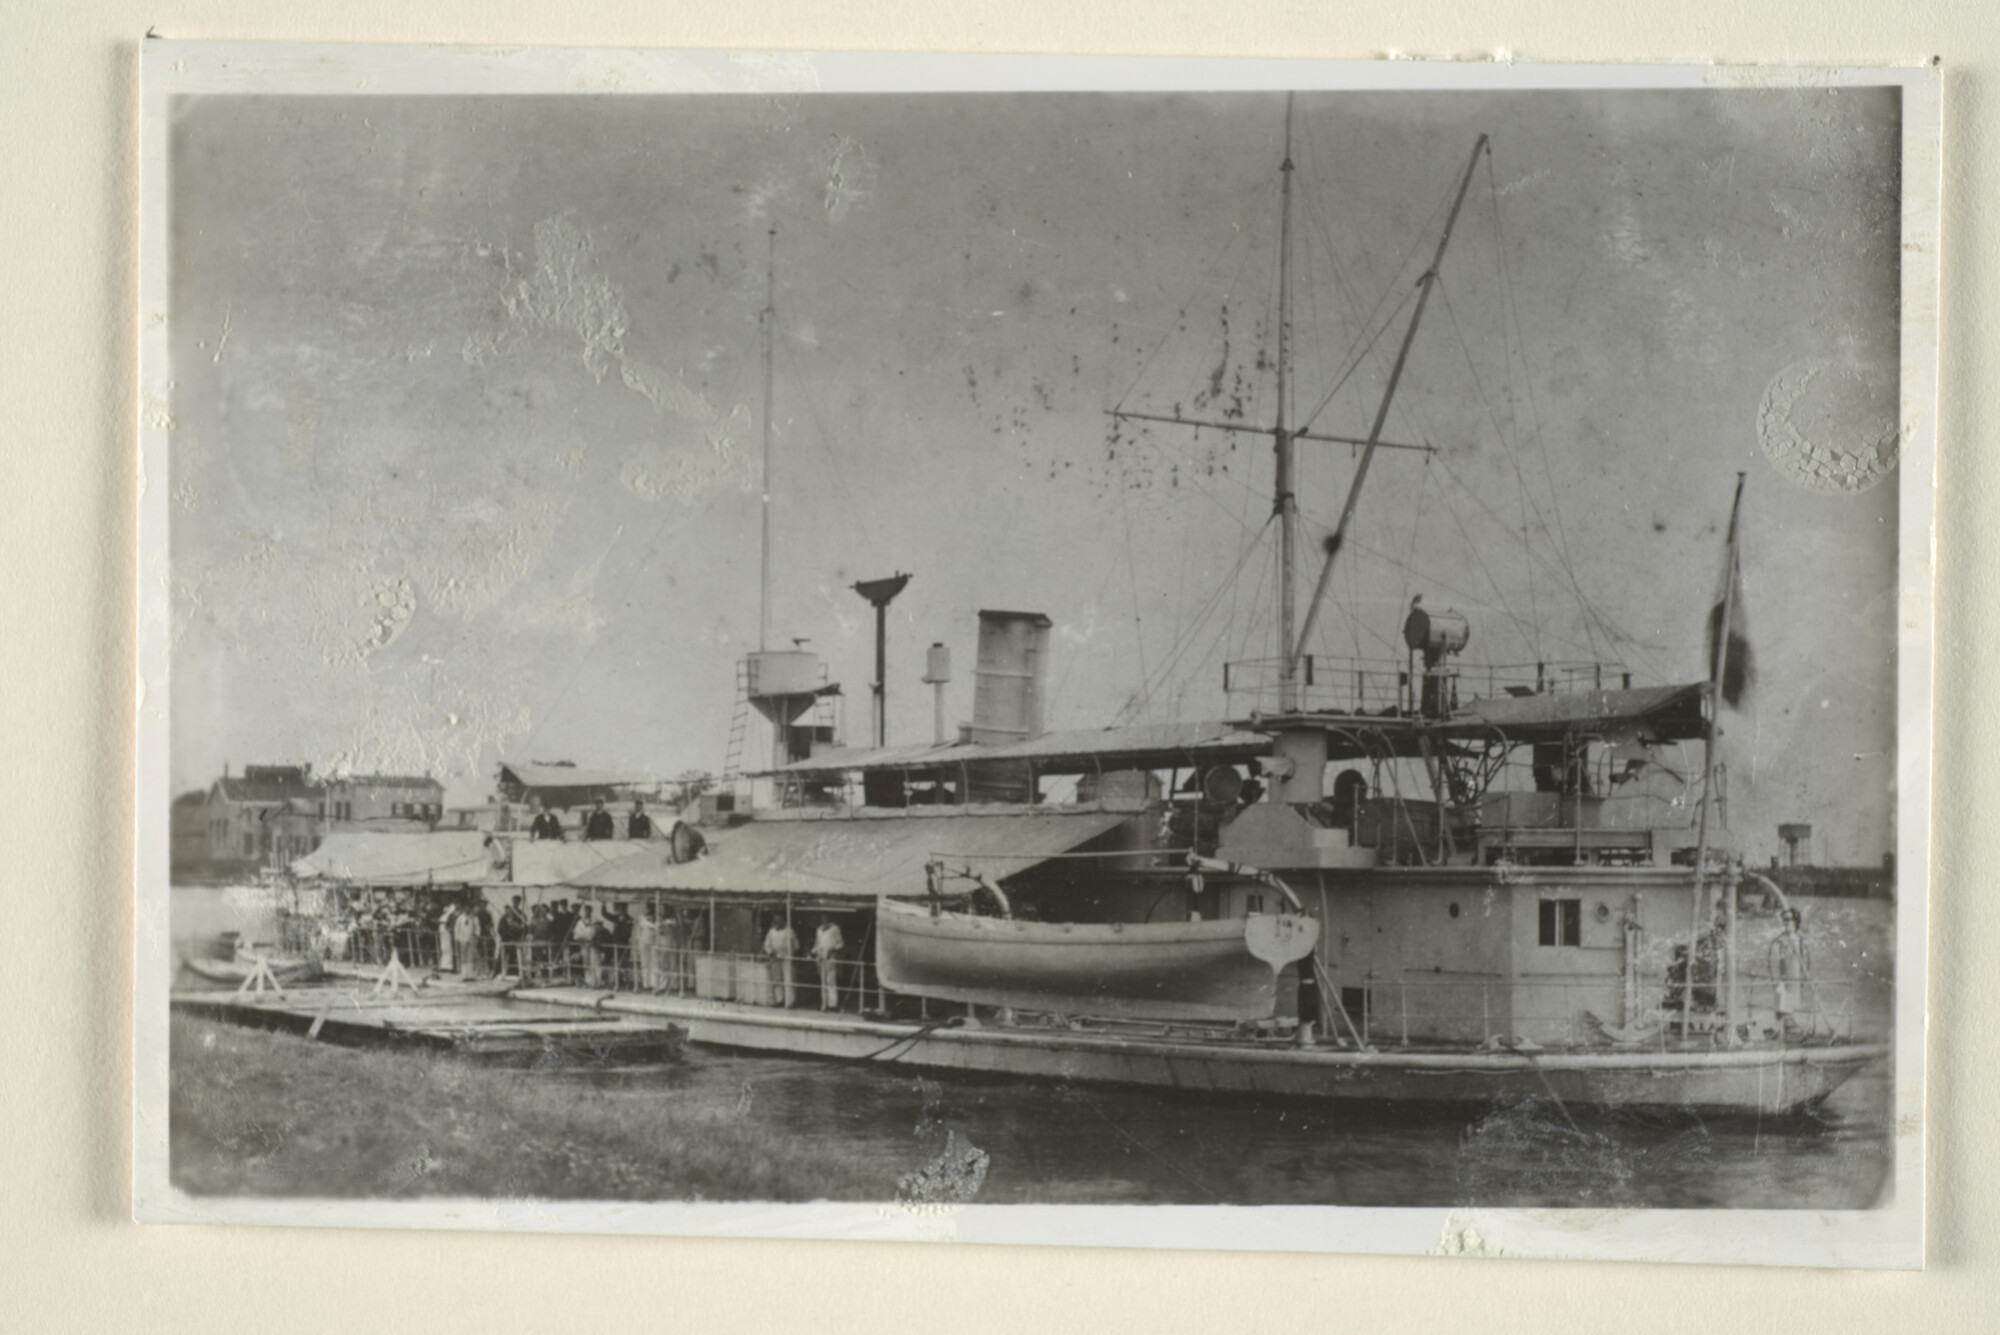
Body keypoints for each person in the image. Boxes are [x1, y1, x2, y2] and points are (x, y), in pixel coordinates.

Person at [762, 914, 800, 1009]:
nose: (777, 922)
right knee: (777, 980)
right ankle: (780, 1000)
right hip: (775, 958)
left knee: (789, 979)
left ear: (783, 921)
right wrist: (771, 952)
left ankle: (790, 1001)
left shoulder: (790, 931)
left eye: (779, 920)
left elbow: (796, 945)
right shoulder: (771, 931)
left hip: (787, 958)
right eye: (775, 920)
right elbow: (766, 945)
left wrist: (789, 953)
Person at [811, 916, 846, 1011]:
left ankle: (833, 1005)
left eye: (826, 917)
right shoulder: (819, 929)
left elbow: (840, 943)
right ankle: (824, 1004)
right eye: (822, 918)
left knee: (831, 981)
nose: (824, 919)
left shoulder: (835, 928)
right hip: (820, 958)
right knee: (822, 982)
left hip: (830, 958)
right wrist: (813, 952)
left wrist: (833, 949)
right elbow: (816, 944)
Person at [498, 895, 528, 978]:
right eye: (514, 901)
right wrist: (507, 935)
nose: (516, 903)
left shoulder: (521, 914)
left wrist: (522, 935)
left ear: (519, 902)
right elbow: (501, 927)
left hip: (517, 939)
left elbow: (525, 926)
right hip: (507, 939)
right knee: (502, 956)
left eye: (517, 901)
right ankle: (498, 973)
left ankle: (515, 973)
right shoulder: (507, 914)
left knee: (516, 956)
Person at [635, 902, 661, 991]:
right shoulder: (641, 919)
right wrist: (639, 940)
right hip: (643, 942)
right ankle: (646, 984)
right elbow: (639, 930)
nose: (647, 910)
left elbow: (656, 929)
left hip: (653, 942)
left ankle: (653, 983)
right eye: (646, 908)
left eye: (648, 908)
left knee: (653, 963)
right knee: (644, 963)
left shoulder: (655, 918)